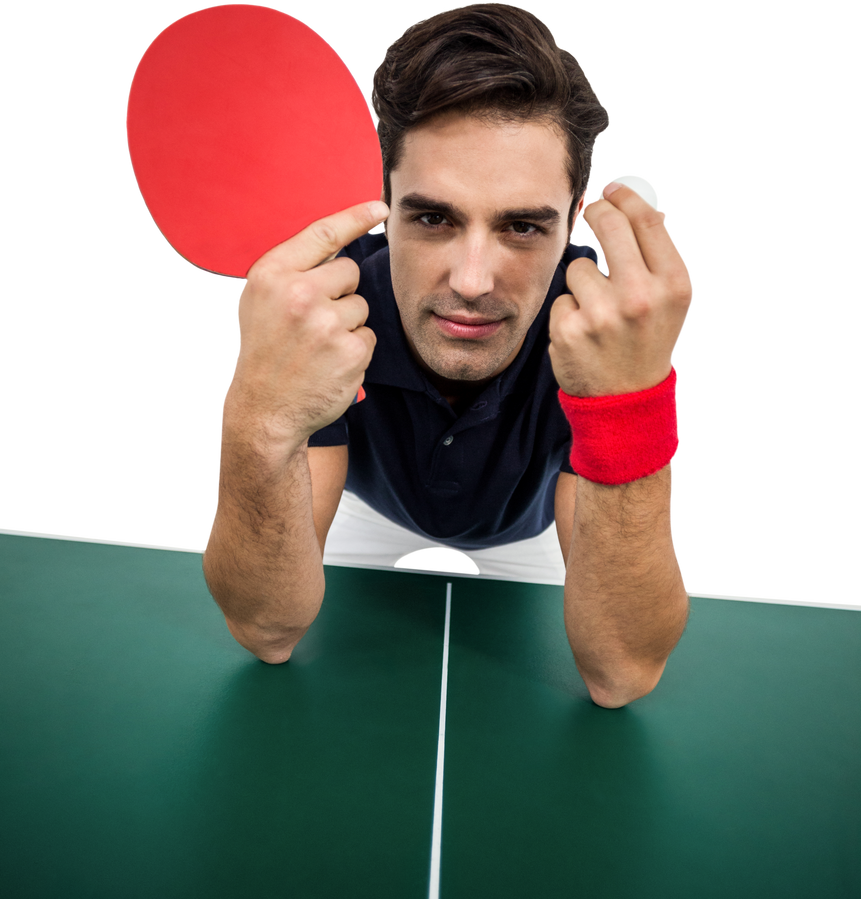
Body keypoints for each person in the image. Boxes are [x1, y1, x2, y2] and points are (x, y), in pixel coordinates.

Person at [203, 3, 695, 708]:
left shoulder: (595, 334)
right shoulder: (327, 308)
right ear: (385, 198)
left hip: (532, 534)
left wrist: (631, 405)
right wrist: (256, 411)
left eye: (522, 226)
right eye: (433, 218)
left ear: (574, 215)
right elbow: (265, 632)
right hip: (362, 512)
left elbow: (619, 676)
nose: (471, 281)